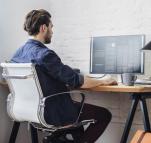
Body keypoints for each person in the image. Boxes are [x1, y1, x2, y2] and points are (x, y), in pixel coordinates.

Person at [11, 9, 117, 143]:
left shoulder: (17, 54)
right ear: (43, 28)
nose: (52, 31)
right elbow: (79, 82)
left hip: (29, 110)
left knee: (77, 124)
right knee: (104, 115)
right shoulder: (45, 54)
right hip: (53, 112)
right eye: (51, 27)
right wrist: (104, 81)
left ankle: (55, 138)